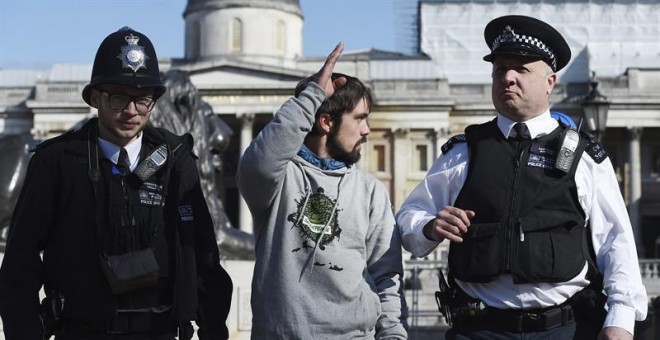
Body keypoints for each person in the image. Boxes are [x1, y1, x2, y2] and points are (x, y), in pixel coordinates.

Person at [396, 15, 647, 339]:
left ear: (550, 81)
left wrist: (620, 320)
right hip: (478, 329)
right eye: (500, 69)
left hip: (563, 330)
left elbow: (617, 241)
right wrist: (429, 227)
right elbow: (408, 219)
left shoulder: (583, 157)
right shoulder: (464, 152)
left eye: (522, 69)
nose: (508, 78)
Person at [0, 27, 232, 339]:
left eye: (143, 99)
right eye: (118, 96)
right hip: (83, 331)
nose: (131, 110)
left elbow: (205, 258)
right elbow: (18, 266)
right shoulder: (56, 163)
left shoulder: (176, 161)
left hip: (159, 332)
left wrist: (213, 330)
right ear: (95, 97)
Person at [236, 42, 407, 339]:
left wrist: (392, 334)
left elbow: (385, 273)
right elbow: (258, 164)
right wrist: (311, 97)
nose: (367, 131)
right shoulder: (278, 180)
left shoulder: (370, 190)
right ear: (326, 122)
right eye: (360, 119)